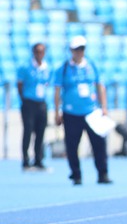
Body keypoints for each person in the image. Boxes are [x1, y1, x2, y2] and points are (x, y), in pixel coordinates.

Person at [54, 35, 113, 185]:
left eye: (81, 49)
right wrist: (57, 111)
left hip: (91, 112)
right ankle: (76, 174)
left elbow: (100, 86)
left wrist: (104, 107)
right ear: (71, 50)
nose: (79, 52)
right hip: (71, 113)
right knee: (72, 146)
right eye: (76, 49)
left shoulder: (92, 65)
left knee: (99, 144)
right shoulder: (64, 68)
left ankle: (102, 173)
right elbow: (57, 91)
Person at [17, 42, 52, 172]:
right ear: (33, 52)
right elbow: (20, 84)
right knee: (28, 130)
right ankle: (25, 160)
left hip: (41, 102)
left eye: (42, 52)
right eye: (37, 51)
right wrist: (24, 100)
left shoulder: (47, 68)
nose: (39, 54)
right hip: (29, 102)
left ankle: (38, 159)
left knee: (41, 132)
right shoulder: (26, 67)